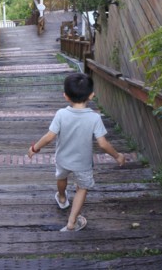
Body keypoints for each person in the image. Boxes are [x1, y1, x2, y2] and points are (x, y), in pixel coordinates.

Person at [27, 72, 126, 232]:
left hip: (63, 159)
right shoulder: (94, 118)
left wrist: (34, 148)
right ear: (91, 95)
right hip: (83, 164)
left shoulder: (61, 114)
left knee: (61, 177)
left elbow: (49, 137)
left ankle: (62, 198)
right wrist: (117, 156)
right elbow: (102, 144)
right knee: (82, 188)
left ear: (66, 96)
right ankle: (72, 223)